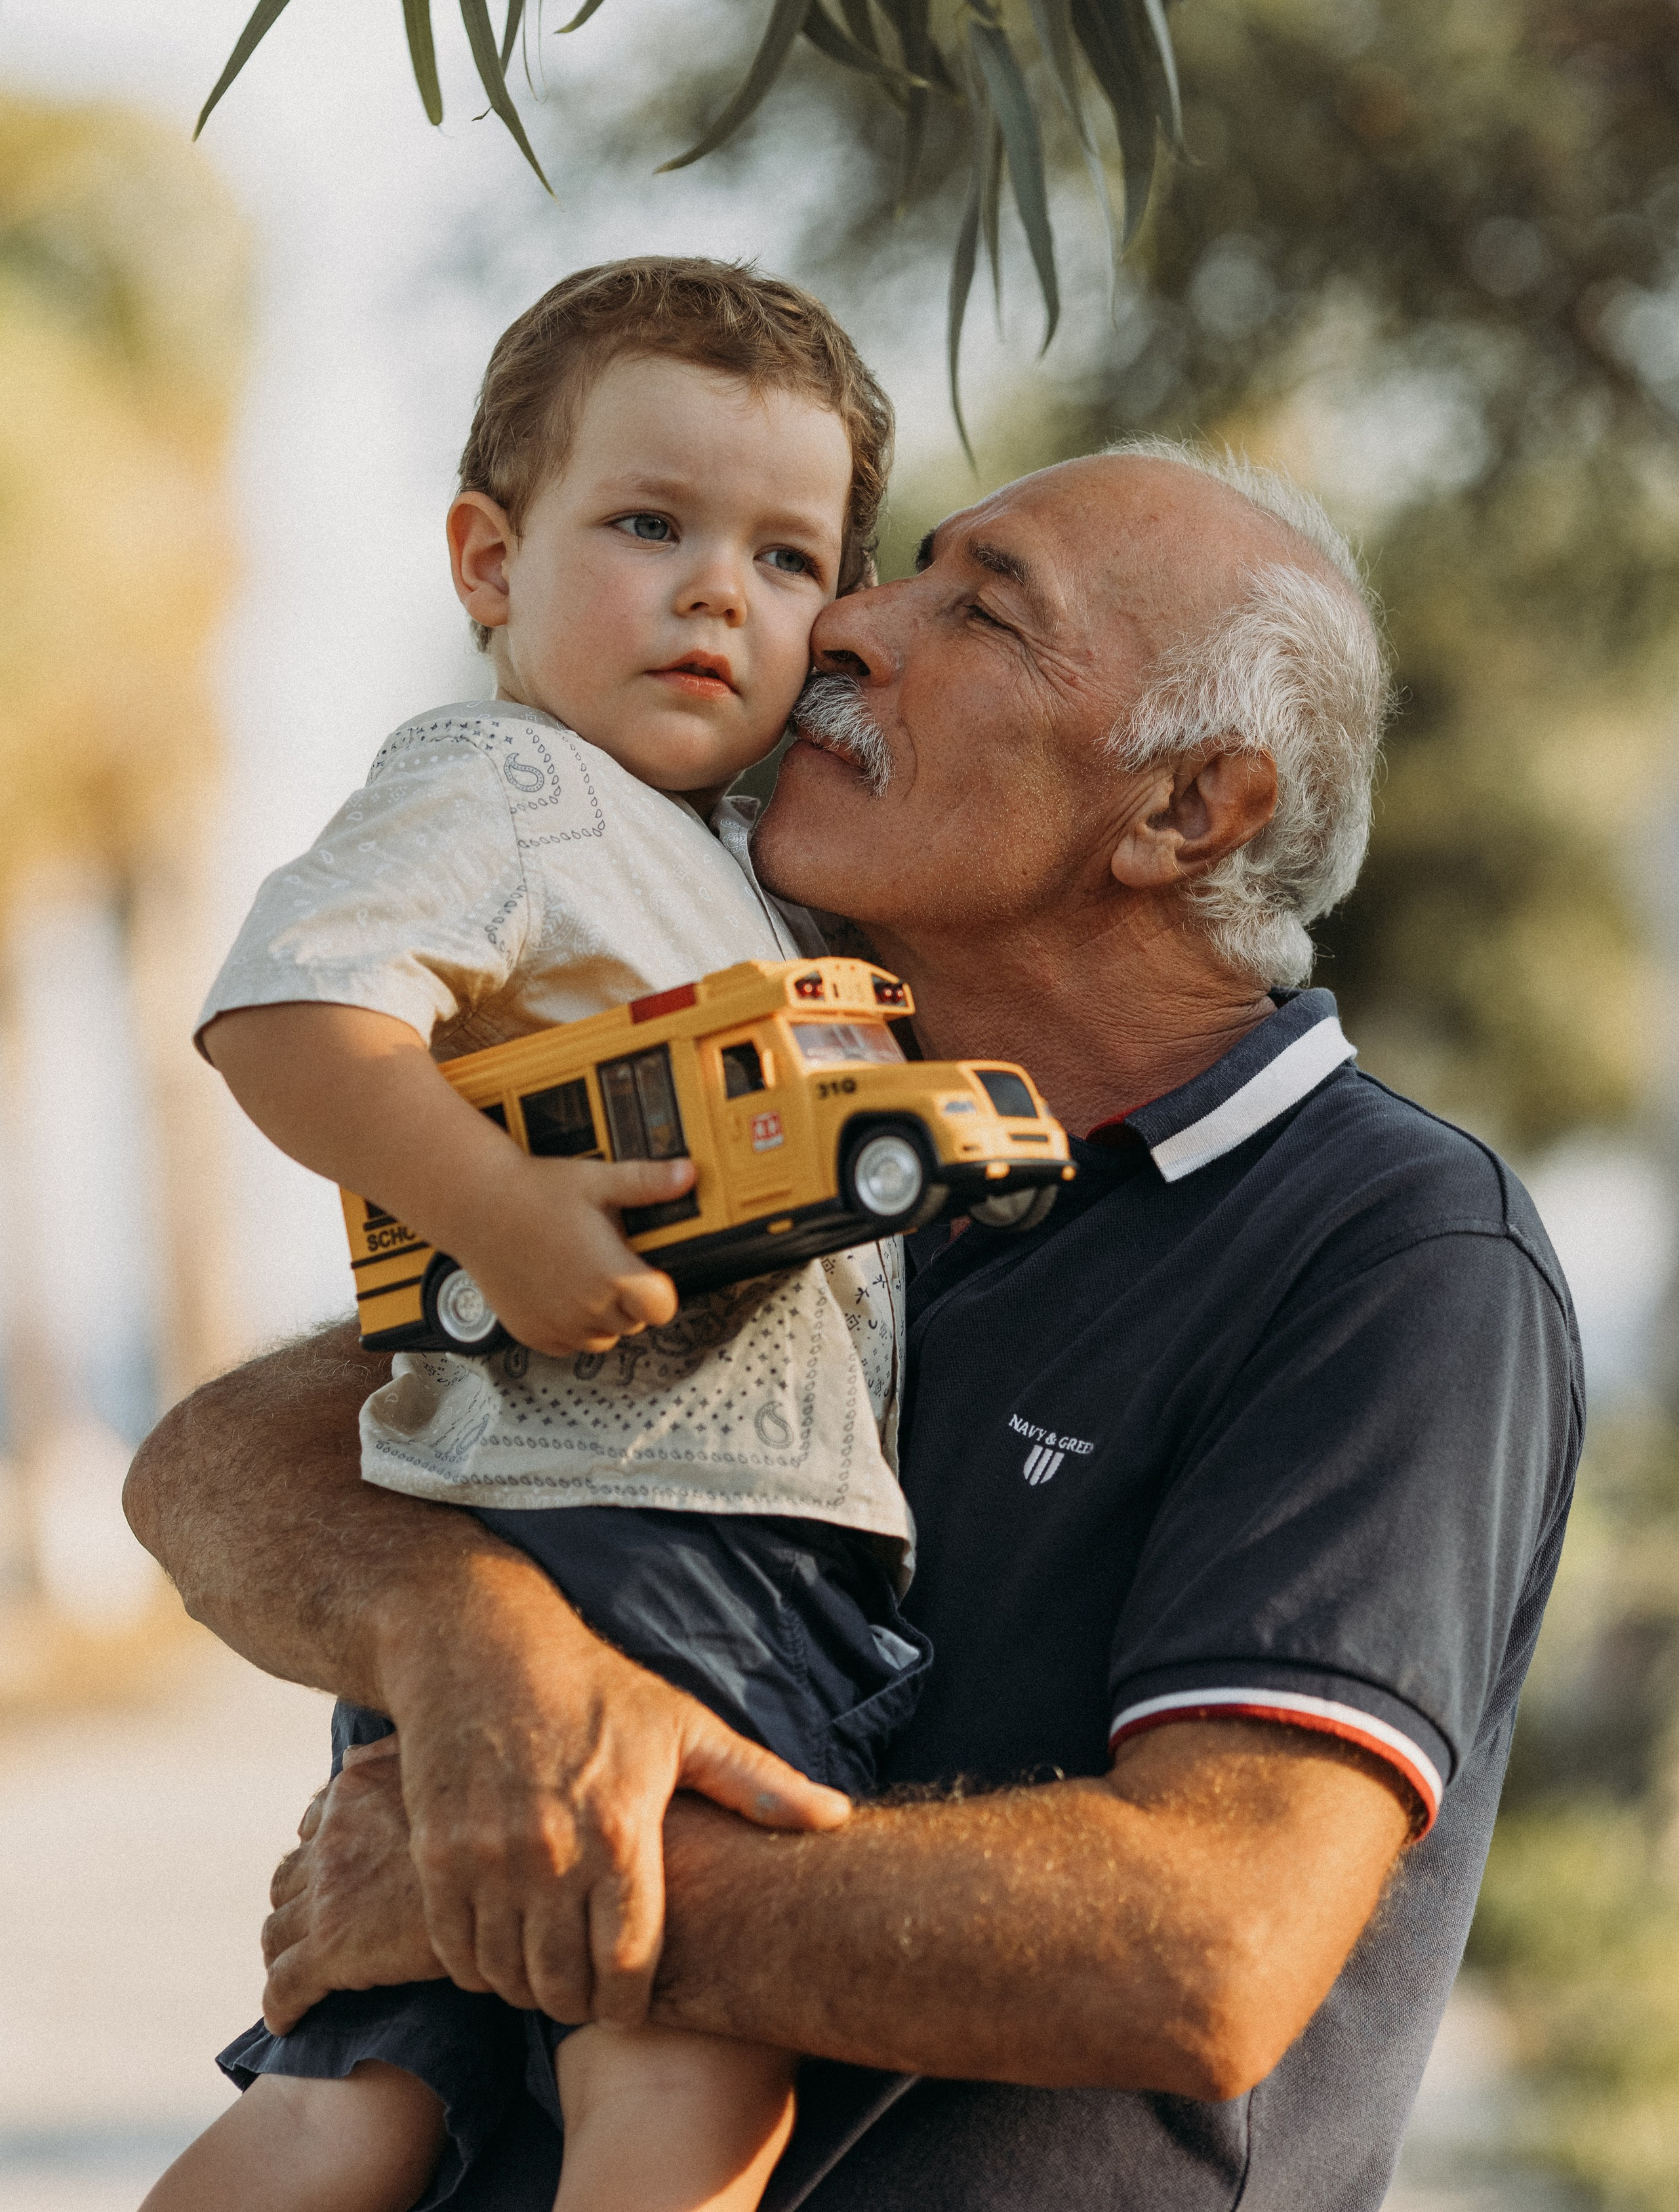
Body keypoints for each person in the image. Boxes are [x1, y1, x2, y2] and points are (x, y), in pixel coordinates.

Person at [127, 436, 1583, 2212]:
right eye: (896, 570)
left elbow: (1200, 1949)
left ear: (1187, 811)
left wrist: (503, 1883)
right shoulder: (757, 1098)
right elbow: (224, 1457)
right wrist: (471, 1643)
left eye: (980, 608)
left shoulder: (1391, 1253)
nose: (843, 627)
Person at [144, 258, 941, 2212]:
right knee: (686, 2055)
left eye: (783, 558)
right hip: (654, 1526)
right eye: (648, 526)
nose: (714, 595)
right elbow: (288, 1009)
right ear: (487, 560)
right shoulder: (500, 782)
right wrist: (498, 1217)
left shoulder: (737, 871)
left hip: (550, 1518)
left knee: (363, 2093)